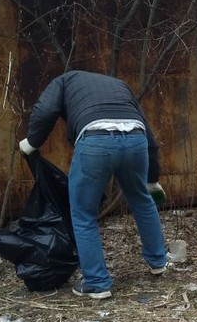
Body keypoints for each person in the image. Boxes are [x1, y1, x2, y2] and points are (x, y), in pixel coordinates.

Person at [18, 70, 169, 298]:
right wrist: (152, 179)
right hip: (136, 138)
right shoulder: (120, 85)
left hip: (96, 141)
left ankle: (97, 283)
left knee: (83, 214)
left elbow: (45, 110)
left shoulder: (64, 80)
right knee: (142, 201)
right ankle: (158, 262)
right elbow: (147, 132)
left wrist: (32, 142)